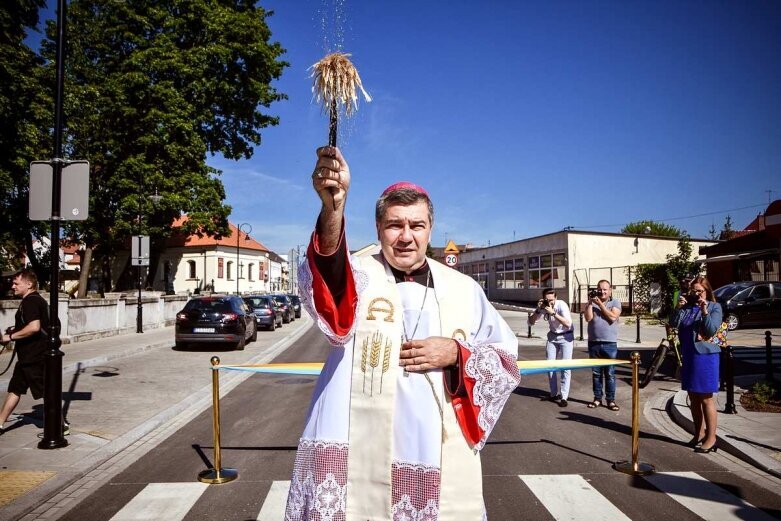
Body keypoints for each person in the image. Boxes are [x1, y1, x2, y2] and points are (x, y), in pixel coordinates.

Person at [285, 146, 521, 520]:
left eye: (417, 225)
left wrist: (458, 354)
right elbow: (328, 277)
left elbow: (506, 360)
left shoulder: (464, 288)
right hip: (356, 443)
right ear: (379, 229)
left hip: (435, 448)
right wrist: (333, 208)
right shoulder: (357, 275)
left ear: (430, 230)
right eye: (395, 225)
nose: (406, 236)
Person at [0, 269, 67, 436]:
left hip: (34, 357)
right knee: (16, 388)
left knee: (46, 391)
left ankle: (60, 425)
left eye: (16, 283)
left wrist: (10, 336)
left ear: (29, 284)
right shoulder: (36, 301)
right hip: (28, 357)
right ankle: (0, 423)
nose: (12, 286)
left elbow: (34, 327)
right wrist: (16, 330)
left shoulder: (30, 302)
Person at [670, 276, 722, 453]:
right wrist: (678, 307)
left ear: (707, 291)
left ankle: (711, 437)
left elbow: (710, 330)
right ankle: (698, 433)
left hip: (706, 357)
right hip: (690, 355)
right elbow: (673, 324)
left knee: (706, 398)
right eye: (694, 291)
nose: (696, 294)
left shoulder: (715, 307)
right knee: (693, 397)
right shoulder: (687, 308)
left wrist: (705, 310)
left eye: (700, 291)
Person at [527, 288, 573, 407]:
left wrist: (553, 312)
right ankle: (553, 393)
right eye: (547, 300)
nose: (550, 303)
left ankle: (564, 397)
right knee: (550, 365)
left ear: (556, 298)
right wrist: (538, 310)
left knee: (565, 367)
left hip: (566, 337)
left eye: (552, 300)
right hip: (552, 337)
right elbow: (530, 322)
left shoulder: (562, 305)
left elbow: (568, 324)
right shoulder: (544, 306)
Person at [584, 280, 622, 411]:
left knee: (610, 374)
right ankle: (597, 398)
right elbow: (588, 318)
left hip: (609, 343)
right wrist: (590, 302)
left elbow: (612, 318)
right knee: (596, 373)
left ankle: (611, 400)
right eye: (600, 289)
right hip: (594, 343)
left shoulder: (614, 302)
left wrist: (600, 304)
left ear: (610, 290)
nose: (602, 291)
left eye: (605, 289)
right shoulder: (592, 303)